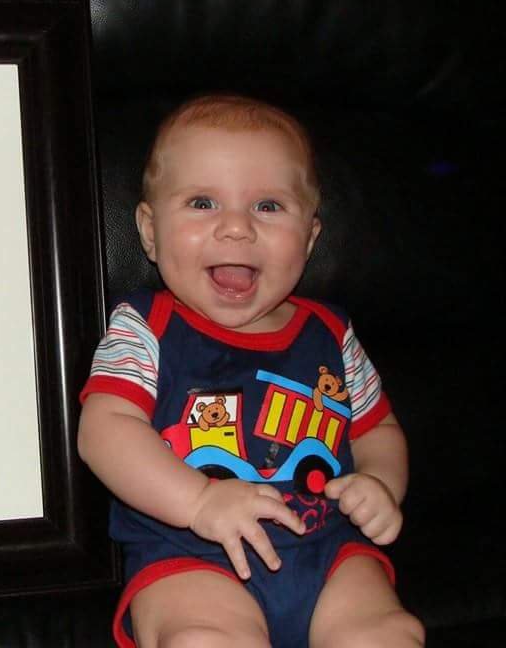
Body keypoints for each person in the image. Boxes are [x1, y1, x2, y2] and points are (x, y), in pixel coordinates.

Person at [77, 95, 424, 648]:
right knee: (204, 637)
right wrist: (198, 501)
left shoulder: (332, 334)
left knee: (386, 632)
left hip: (328, 549)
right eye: (202, 202)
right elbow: (104, 431)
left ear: (310, 237)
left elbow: (376, 429)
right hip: (191, 553)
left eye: (268, 206)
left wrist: (381, 483)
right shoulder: (146, 328)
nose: (236, 227)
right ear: (149, 231)